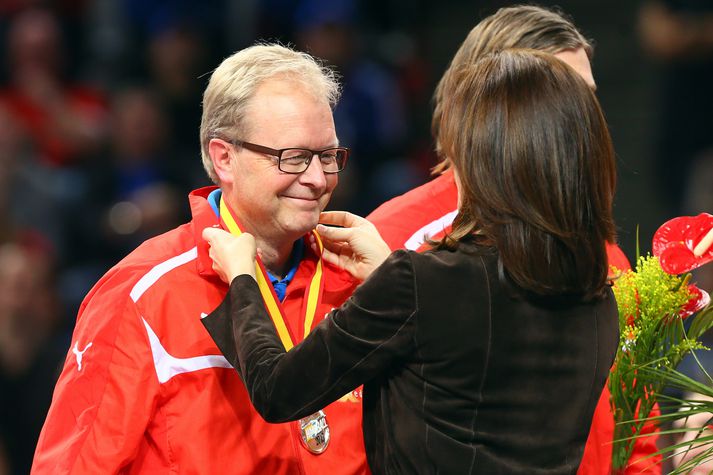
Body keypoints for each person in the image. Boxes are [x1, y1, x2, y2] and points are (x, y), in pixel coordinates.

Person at [201, 49, 620, 474]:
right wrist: (393, 279)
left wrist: (242, 279)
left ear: (486, 159)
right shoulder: (601, 304)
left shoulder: (422, 285)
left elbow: (278, 391)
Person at [32, 43, 368, 474]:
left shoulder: (359, 277)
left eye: (327, 156)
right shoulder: (142, 295)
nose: (318, 179)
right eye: (295, 157)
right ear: (223, 158)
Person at [364, 6, 658, 473]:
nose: (586, 120)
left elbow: (635, 427)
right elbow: (349, 432)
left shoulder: (605, 257)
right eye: (562, 95)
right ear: (493, 103)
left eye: (589, 99)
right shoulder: (395, 240)